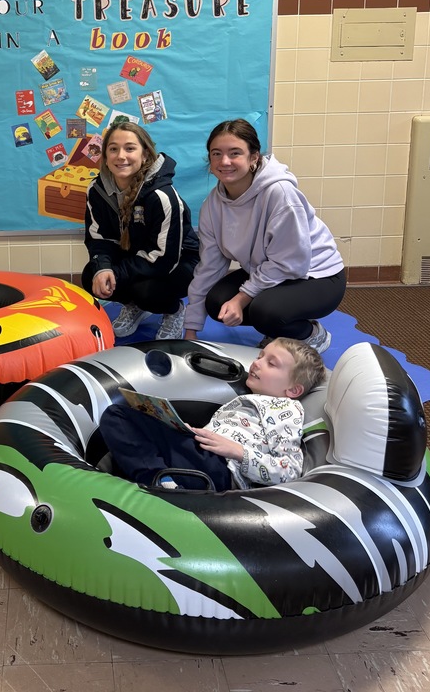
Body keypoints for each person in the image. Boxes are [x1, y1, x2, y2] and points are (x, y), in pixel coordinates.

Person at [184, 119, 346, 352]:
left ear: (253, 158)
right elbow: (210, 266)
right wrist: (191, 329)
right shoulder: (212, 205)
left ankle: (310, 334)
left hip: (317, 275)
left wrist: (242, 298)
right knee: (216, 302)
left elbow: (291, 262)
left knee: (265, 311)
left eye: (235, 153)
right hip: (269, 269)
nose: (224, 161)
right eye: (216, 154)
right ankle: (279, 324)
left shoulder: (280, 194)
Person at [100, 337, 326, 490]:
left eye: (271, 363)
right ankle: (162, 480)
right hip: (203, 453)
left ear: (293, 390)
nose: (257, 363)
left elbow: (289, 471)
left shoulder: (285, 408)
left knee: (118, 415)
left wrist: (238, 452)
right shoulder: (247, 399)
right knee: (124, 417)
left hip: (222, 468)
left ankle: (158, 483)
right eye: (260, 356)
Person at [81, 121, 200, 341]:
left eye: (130, 148)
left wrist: (117, 274)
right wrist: (103, 268)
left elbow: (163, 258)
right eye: (113, 149)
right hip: (137, 256)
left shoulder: (162, 196)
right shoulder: (96, 190)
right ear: (105, 156)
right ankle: (134, 306)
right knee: (92, 276)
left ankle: (174, 310)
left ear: (145, 154)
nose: (121, 156)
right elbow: (99, 238)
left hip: (179, 262)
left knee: (145, 291)